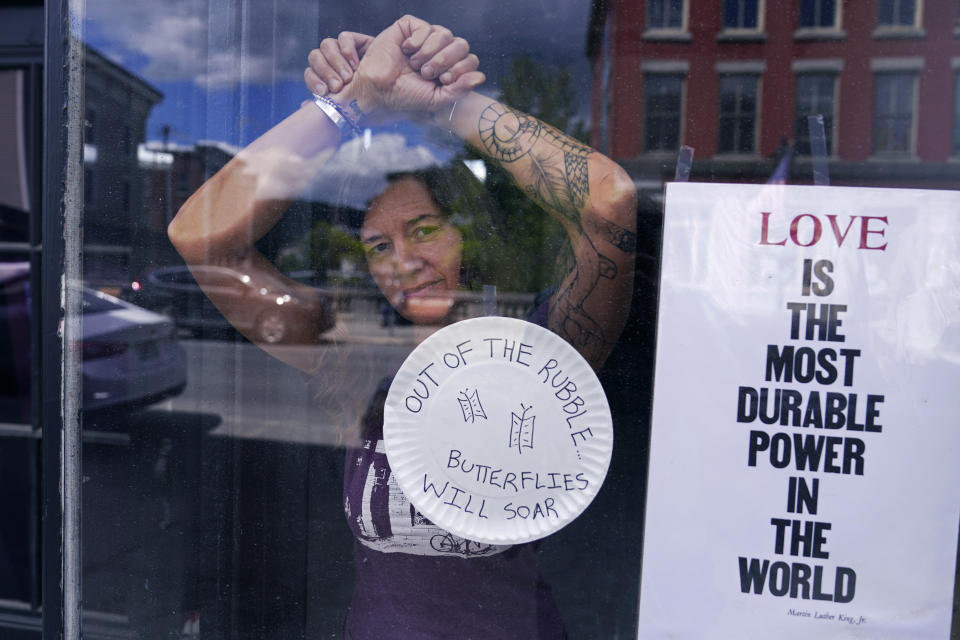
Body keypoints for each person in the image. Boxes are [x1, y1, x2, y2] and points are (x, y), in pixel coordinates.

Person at [168, 15, 637, 639]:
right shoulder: (352, 356)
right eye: (377, 247)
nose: (405, 261)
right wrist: (348, 104)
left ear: (468, 233)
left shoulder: (541, 353)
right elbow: (199, 237)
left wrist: (448, 105)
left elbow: (609, 203)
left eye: (423, 231)